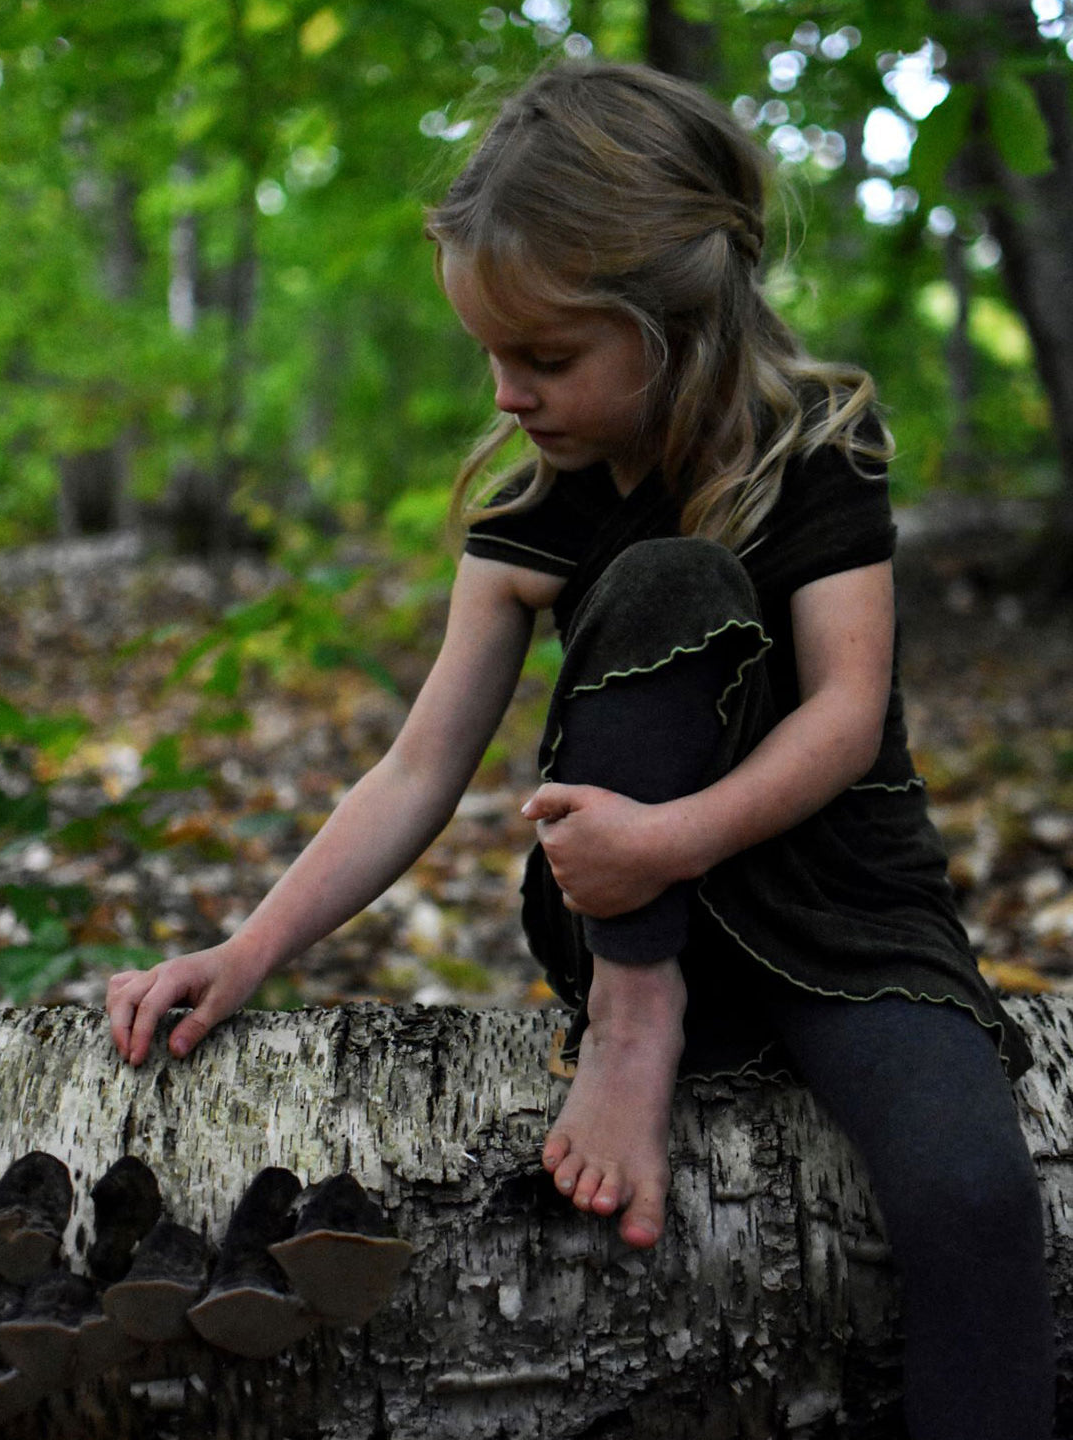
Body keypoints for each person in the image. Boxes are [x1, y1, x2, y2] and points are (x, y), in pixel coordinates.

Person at [106, 62, 1054, 1438]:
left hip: (849, 917)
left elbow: (846, 721)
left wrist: (673, 836)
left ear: (674, 324)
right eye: (491, 355)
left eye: (545, 359)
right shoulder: (533, 515)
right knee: (664, 581)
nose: (506, 395)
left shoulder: (817, 451)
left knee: (973, 1197)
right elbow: (418, 771)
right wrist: (244, 952)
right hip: (633, 920)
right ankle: (636, 1021)